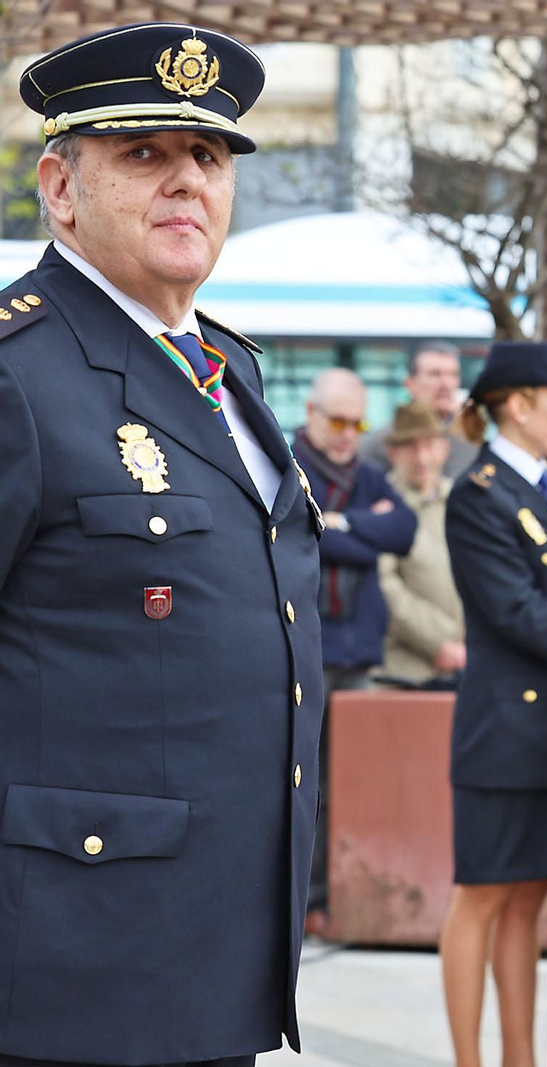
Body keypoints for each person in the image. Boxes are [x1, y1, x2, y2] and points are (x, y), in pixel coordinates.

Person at [0, 23, 324, 1064]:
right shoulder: (18, 371)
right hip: (65, 966)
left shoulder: (227, 370)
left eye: (209, 157)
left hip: (214, 950)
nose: (187, 180)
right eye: (144, 154)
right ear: (60, 187)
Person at [440, 340, 547, 1067]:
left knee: (528, 902)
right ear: (518, 403)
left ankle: (520, 1058)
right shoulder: (478, 495)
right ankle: (471, 1059)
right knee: (481, 897)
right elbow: (517, 612)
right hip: (505, 733)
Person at [296, 366, 417, 929]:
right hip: (304, 650)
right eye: (337, 420)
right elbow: (300, 529)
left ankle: (340, 896)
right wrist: (361, 529)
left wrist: (339, 526)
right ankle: (309, 898)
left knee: (354, 782)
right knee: (304, 782)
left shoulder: (368, 476)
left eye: (358, 421)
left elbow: (403, 532)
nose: (348, 432)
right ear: (311, 414)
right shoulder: (285, 463)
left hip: (358, 651)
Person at [377, 400, 466, 686]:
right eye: (410, 447)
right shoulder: (383, 505)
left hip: (469, 664)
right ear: (393, 453)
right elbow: (384, 585)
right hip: (406, 672)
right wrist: (439, 642)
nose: (422, 457)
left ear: (445, 448)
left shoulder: (463, 502)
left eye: (430, 445)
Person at [359, 340, 477, 480]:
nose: (446, 383)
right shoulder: (378, 444)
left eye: (453, 374)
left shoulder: (469, 442)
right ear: (410, 383)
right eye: (435, 374)